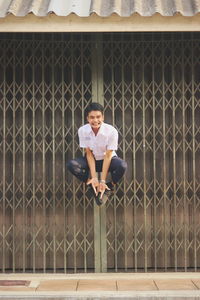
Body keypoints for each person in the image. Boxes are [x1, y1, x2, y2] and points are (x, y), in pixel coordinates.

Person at [67, 102, 127, 205]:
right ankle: (91, 184)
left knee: (122, 166)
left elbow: (108, 156)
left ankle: (109, 186)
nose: (95, 120)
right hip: (92, 159)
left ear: (103, 117)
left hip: (108, 160)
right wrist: (94, 178)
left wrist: (102, 181)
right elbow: (89, 154)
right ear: (87, 118)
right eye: (92, 117)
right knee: (71, 165)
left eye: (98, 117)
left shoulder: (111, 131)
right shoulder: (83, 131)